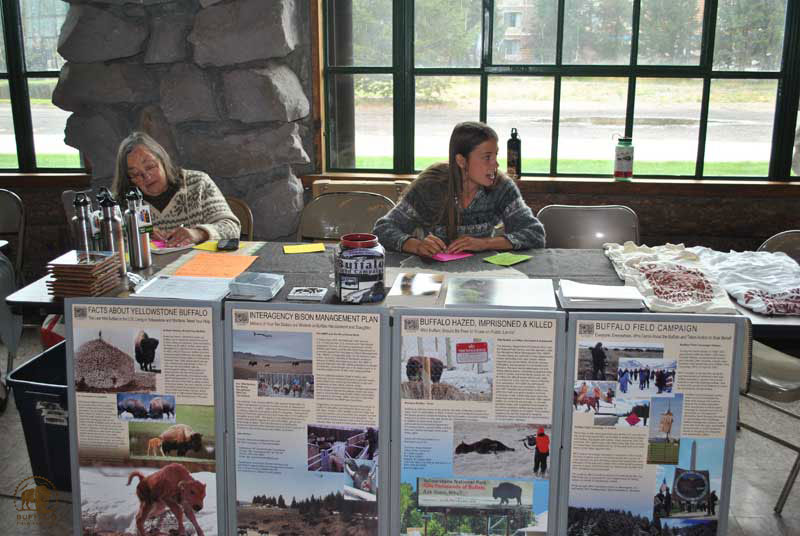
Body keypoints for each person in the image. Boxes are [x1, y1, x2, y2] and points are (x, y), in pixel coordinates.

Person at [373, 122, 545, 256]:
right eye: (487, 157)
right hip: (434, 277)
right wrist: (417, 245)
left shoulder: (502, 187)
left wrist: (485, 243)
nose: (496, 164)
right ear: (461, 161)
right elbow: (383, 230)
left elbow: (535, 234)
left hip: (484, 277)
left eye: (495, 155)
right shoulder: (430, 186)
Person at [112, 131, 240, 247]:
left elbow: (232, 228)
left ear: (163, 160)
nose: (146, 176)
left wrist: (199, 233)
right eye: (135, 174)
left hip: (201, 267)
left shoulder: (198, 183)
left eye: (150, 166)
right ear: (128, 179)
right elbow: (110, 244)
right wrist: (138, 236)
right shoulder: (124, 203)